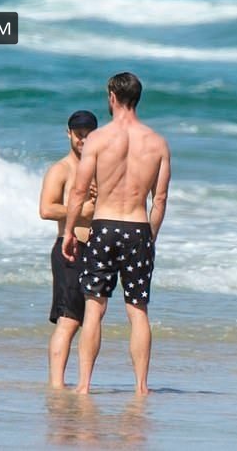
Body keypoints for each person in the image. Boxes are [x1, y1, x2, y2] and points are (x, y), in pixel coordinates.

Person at [62, 72, 171, 395]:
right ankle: (141, 386)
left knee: (94, 308)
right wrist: (150, 237)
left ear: (112, 97)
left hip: (104, 226)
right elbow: (160, 200)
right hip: (138, 227)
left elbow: (79, 191)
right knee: (137, 310)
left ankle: (84, 385)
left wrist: (69, 231)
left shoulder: (98, 140)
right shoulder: (157, 143)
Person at [39, 110, 98, 389]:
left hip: (96, 249)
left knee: (90, 319)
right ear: (69, 134)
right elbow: (46, 209)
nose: (83, 140)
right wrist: (80, 212)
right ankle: (57, 385)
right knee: (68, 320)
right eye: (78, 135)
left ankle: (80, 383)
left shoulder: (100, 169)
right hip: (69, 248)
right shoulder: (61, 170)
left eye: (88, 135)